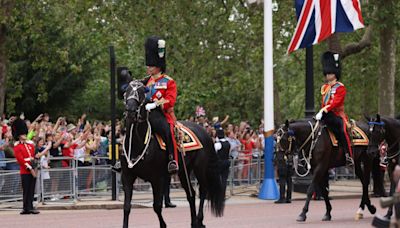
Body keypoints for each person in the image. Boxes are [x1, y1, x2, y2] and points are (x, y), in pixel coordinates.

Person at [142, 36, 178, 174]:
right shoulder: (146, 81)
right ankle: (126, 158)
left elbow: (170, 100)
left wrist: (156, 104)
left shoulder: (169, 82)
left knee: (167, 131)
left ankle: (172, 160)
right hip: (145, 115)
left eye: (151, 65)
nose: (148, 67)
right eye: (148, 65)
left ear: (158, 66)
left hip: (161, 115)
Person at [315, 51, 353, 166]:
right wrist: (322, 111)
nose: (327, 75)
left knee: (341, 131)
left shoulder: (340, 87)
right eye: (326, 73)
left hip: (337, 115)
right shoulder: (325, 87)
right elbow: (324, 102)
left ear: (335, 73)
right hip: (326, 114)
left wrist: (324, 110)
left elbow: (335, 102)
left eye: (329, 73)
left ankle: (348, 155)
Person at [12, 117, 40, 215]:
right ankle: (26, 208)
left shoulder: (30, 145)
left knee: (32, 189)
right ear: (19, 136)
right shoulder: (17, 146)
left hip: (32, 167)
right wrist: (30, 169)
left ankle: (30, 206)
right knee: (26, 189)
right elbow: (21, 160)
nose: (25, 135)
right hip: (25, 170)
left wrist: (35, 167)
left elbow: (33, 156)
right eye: (23, 134)